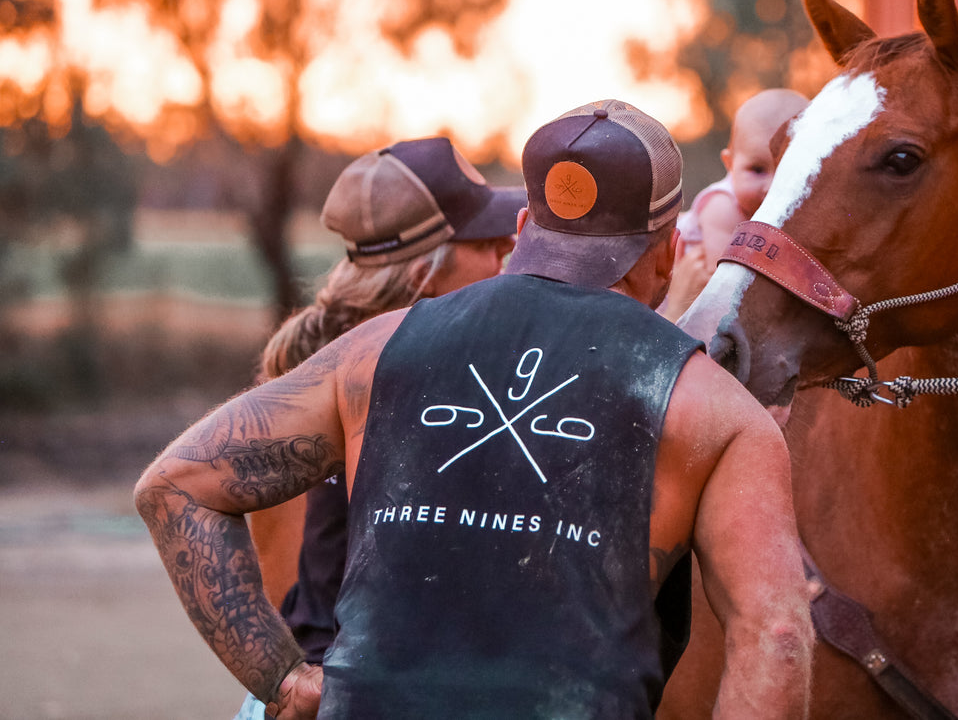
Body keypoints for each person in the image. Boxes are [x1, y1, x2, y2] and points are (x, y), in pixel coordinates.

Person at [135, 100, 813, 720]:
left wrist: (284, 681)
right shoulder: (716, 408)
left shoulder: (376, 349)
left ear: (521, 228)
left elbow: (174, 485)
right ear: (667, 252)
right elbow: (776, 634)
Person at [236, 136, 526, 719]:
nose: (507, 256)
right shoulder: (425, 388)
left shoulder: (302, 374)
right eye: (487, 245)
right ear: (424, 274)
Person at [661, 88, 807, 320]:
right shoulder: (723, 207)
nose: (771, 186)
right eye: (757, 169)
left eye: (786, 171)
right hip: (677, 303)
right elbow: (724, 280)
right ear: (729, 163)